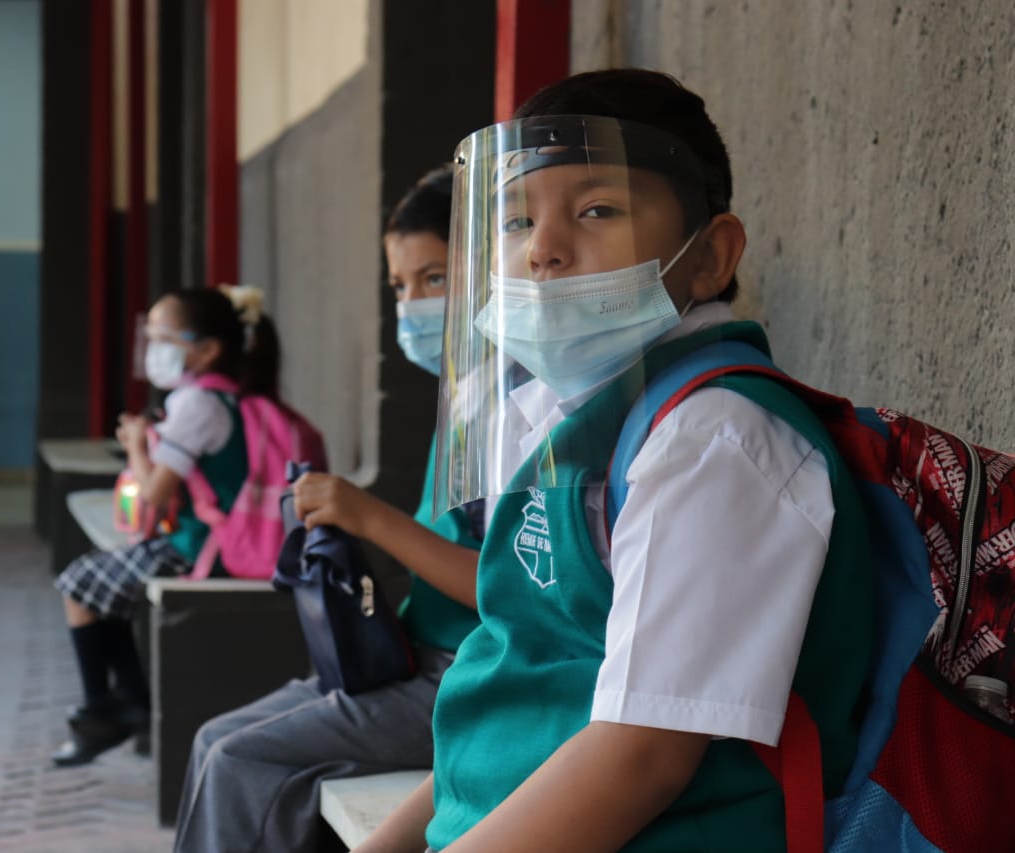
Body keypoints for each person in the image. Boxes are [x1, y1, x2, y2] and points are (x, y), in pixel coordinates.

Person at [359, 69, 874, 852]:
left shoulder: (713, 441)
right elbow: (517, 687)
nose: (543, 250)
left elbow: (642, 758)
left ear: (710, 257)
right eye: (515, 219)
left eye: (597, 210)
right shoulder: (560, 421)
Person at [173, 166, 486, 853]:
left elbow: (508, 592)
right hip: (408, 657)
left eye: (435, 278)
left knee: (240, 761)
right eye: (400, 286)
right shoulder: (466, 398)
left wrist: (370, 518)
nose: (413, 304)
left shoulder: (522, 415)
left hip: (467, 677)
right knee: (213, 738)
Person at [51, 285, 278, 767]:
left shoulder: (197, 405)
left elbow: (153, 493)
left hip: (202, 547)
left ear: (208, 350)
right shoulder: (218, 397)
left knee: (77, 585)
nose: (153, 348)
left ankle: (104, 708)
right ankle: (124, 701)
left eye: (164, 337)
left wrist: (136, 444)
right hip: (203, 538)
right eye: (150, 336)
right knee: (98, 588)